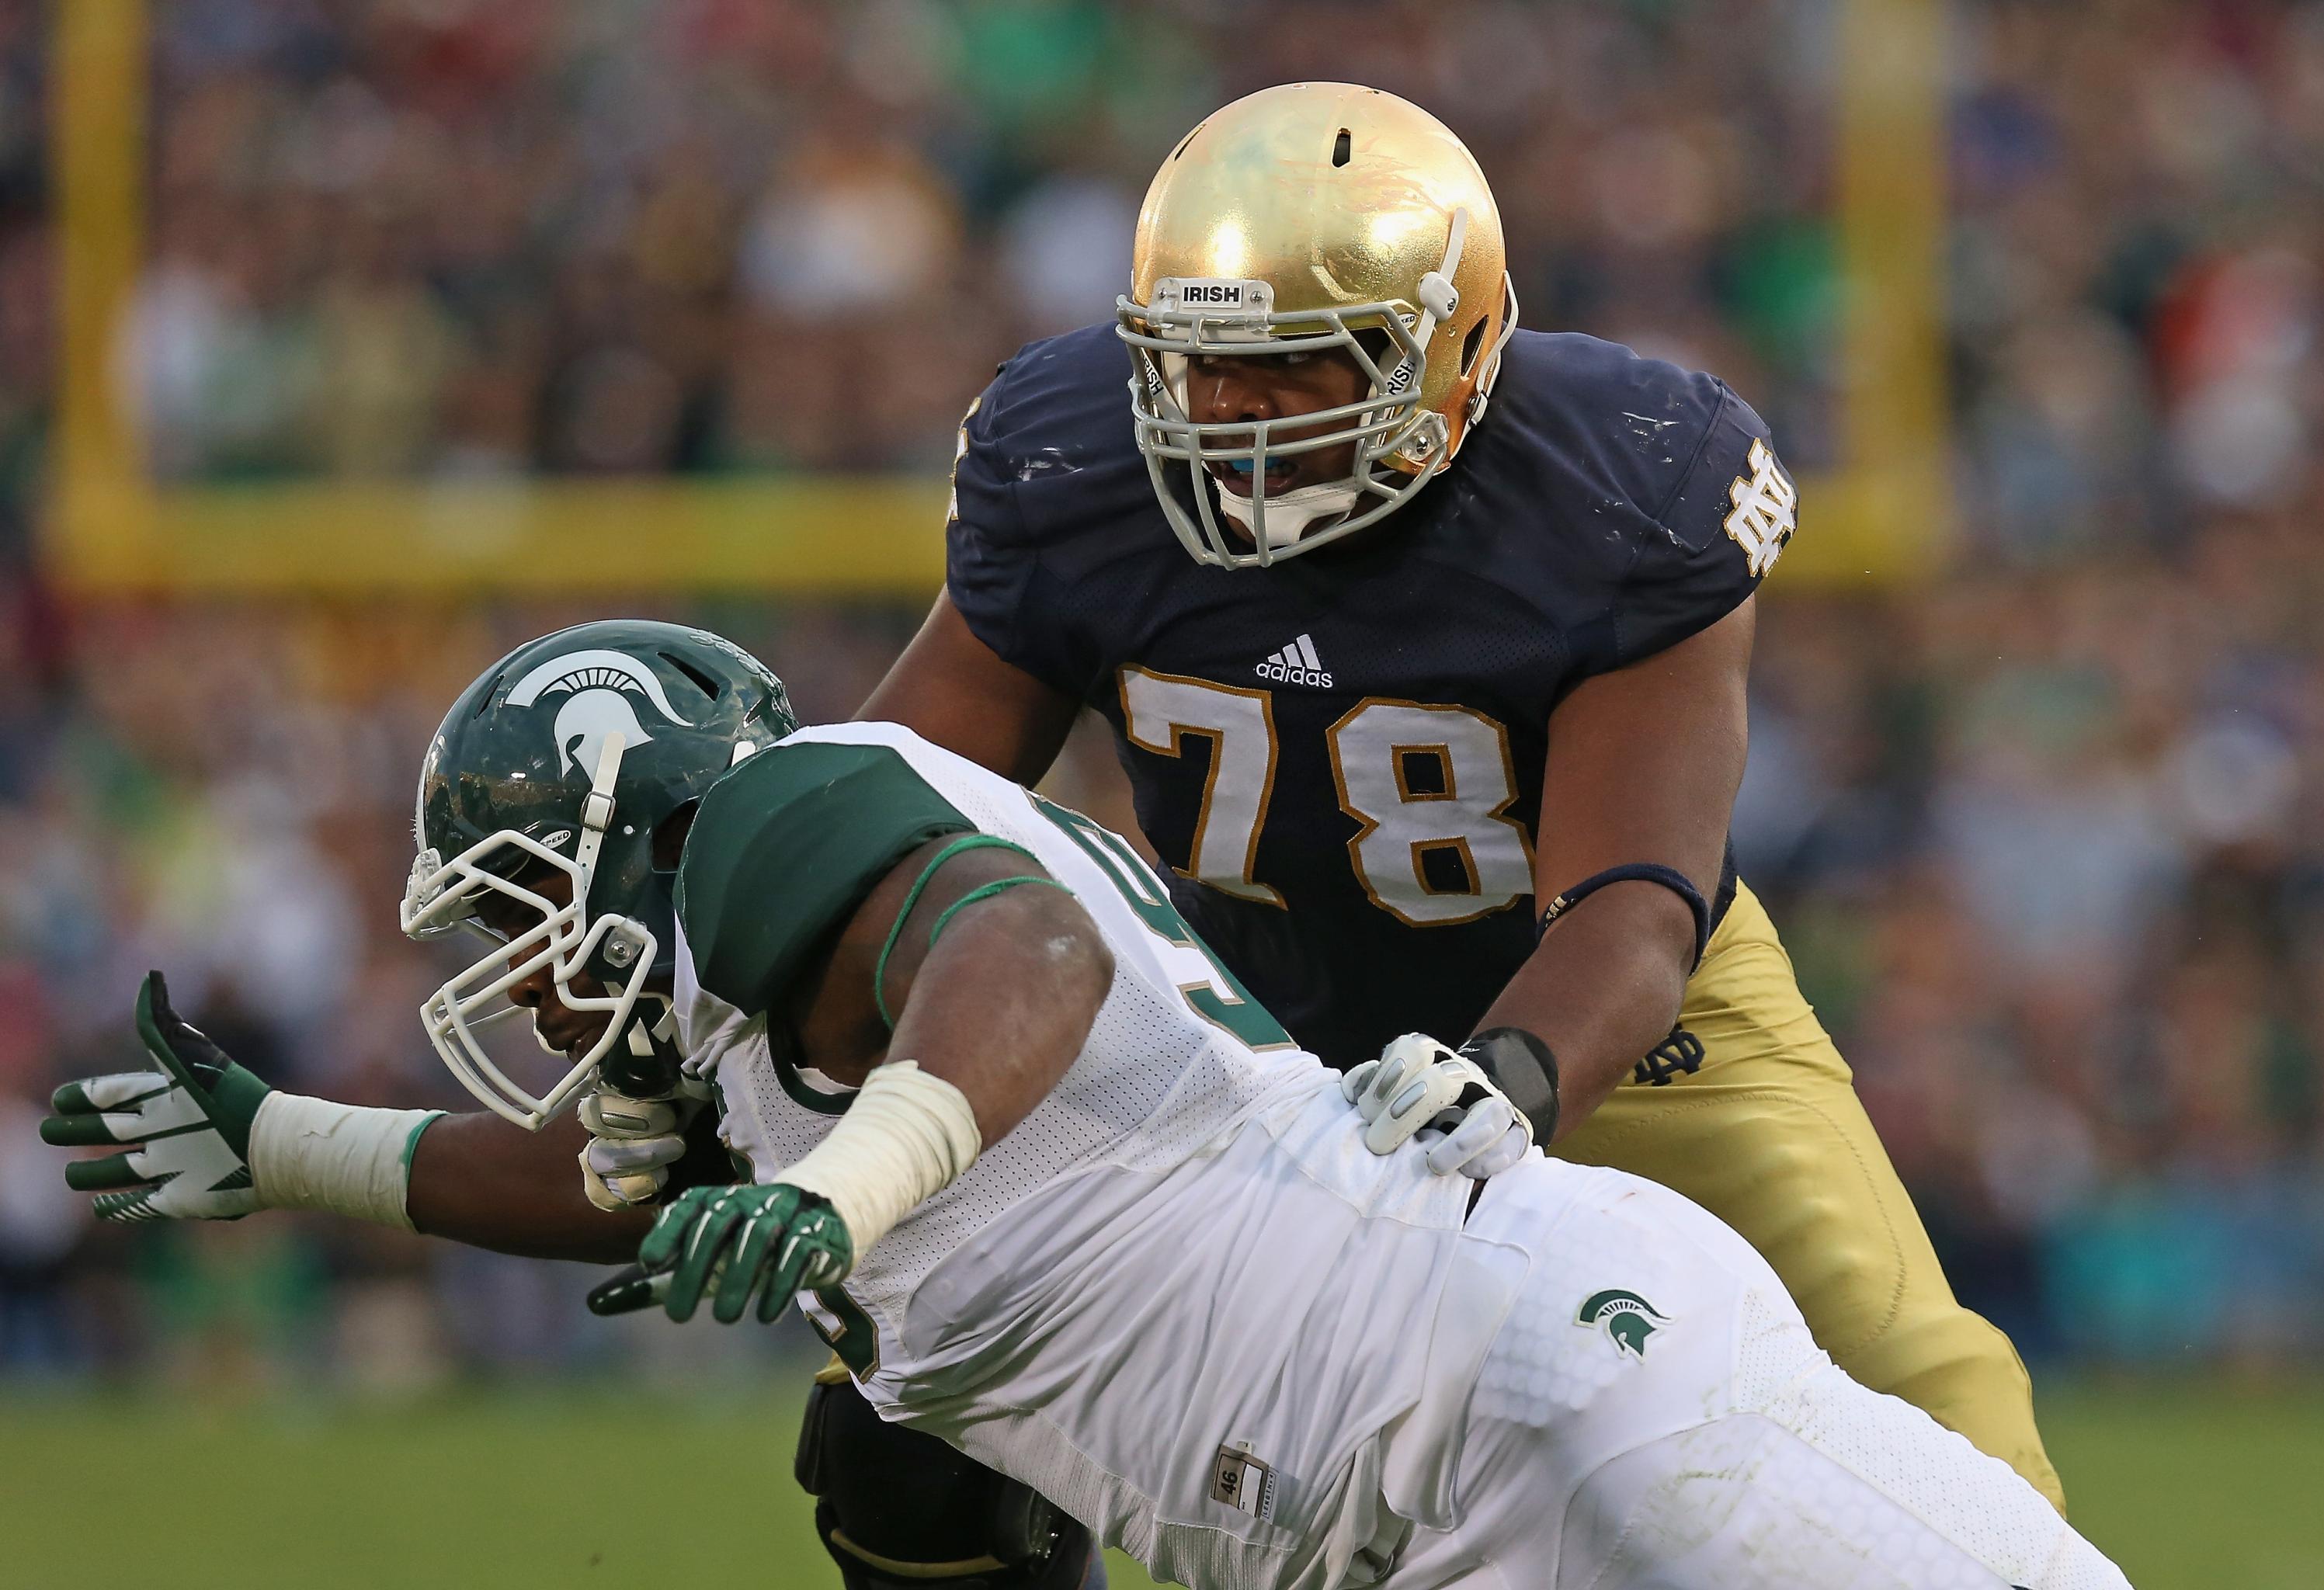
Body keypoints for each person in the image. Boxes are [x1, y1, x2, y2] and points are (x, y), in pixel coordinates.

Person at [47, 621, 2126, 1590]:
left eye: (535, 897)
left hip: (1543, 1384)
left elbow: (1011, 951)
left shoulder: (793, 820)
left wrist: (852, 1194)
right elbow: (632, 1189)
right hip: (1386, 1522)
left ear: (642, 817)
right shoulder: (779, 1044)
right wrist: (290, 1148)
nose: (532, 966)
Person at [837, 79, 2066, 1515]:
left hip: (1608, 1018)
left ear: (1447, 350)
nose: (1226, 412)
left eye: (1297, 367)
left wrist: (1516, 1081)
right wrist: (709, 1013)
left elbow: (1631, 909)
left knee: (1916, 1397)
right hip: (1241, 1021)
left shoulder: (1620, 484)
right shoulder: (1073, 464)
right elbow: (894, 810)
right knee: (906, 1428)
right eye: (1198, 362)